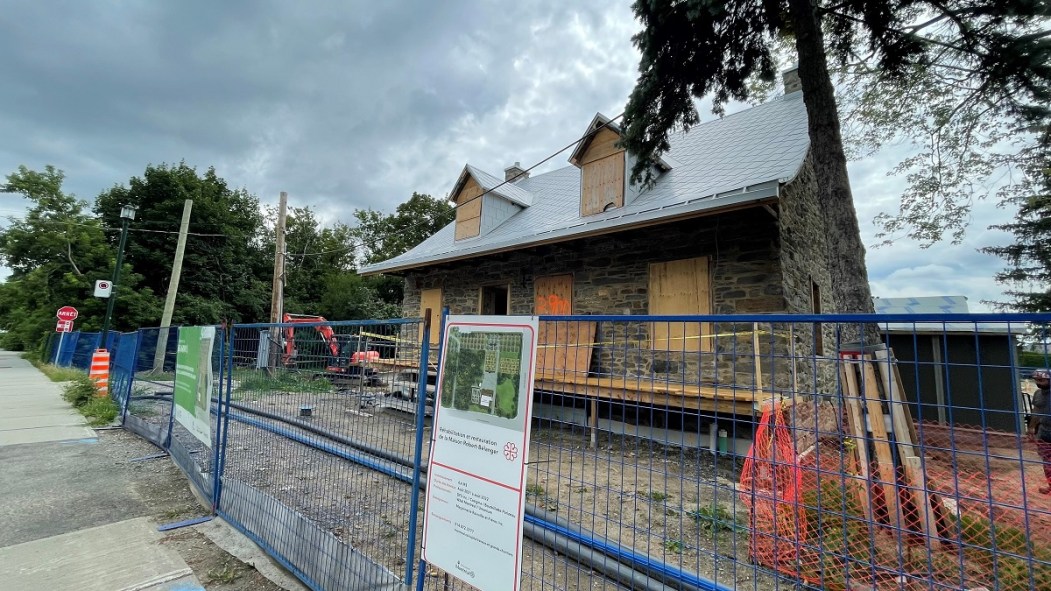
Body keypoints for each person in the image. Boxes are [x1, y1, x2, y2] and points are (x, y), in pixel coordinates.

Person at [1028, 369, 1051, 494]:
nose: (1039, 383)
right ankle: (1050, 485)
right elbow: (1036, 412)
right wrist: (1031, 428)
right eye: (1037, 380)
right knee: (1047, 462)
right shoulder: (1038, 394)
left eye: (1042, 380)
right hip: (1044, 432)